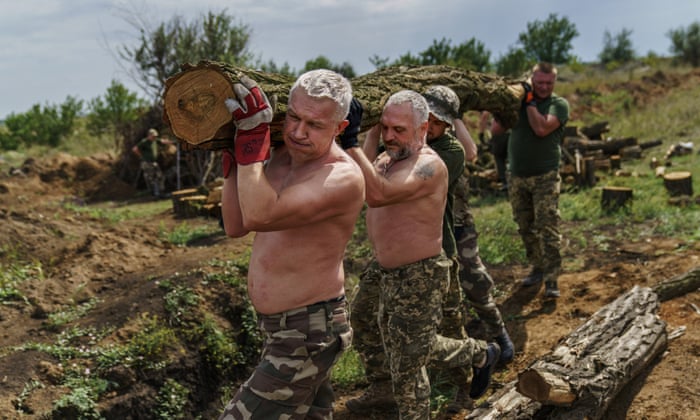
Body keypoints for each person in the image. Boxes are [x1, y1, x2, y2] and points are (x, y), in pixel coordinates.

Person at [218, 69, 366, 419]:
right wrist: (234, 160)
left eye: (314, 125)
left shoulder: (341, 177)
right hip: (281, 327)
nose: (299, 132)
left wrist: (251, 145)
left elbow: (260, 215)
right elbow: (236, 224)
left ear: (339, 129)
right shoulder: (282, 157)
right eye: (294, 118)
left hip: (308, 330)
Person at [343, 90, 500, 419]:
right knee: (365, 320)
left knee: (409, 363)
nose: (389, 136)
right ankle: (474, 354)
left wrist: (351, 143)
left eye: (398, 130)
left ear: (423, 128)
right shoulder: (389, 157)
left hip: (420, 272)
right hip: (384, 268)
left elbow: (379, 194)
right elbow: (360, 179)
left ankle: (472, 358)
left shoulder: (431, 164)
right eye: (385, 128)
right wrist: (368, 134)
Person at [423, 86, 515, 412]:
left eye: (437, 118)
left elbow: (473, 152)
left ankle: (498, 333)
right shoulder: (415, 140)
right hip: (428, 232)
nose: (430, 123)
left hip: (459, 226)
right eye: (427, 116)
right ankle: (456, 356)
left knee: (475, 282)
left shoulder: (453, 144)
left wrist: (455, 112)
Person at [493, 62, 570, 298]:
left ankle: (552, 278)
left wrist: (530, 102)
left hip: (545, 175)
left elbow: (541, 129)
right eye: (539, 83)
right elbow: (496, 130)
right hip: (517, 175)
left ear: (554, 82)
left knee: (547, 225)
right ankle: (538, 266)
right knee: (525, 226)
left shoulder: (558, 104)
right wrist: (504, 106)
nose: (544, 87)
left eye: (549, 83)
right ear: (532, 81)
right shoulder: (521, 102)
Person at [131, 128, 173, 198]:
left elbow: (162, 141)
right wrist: (142, 156)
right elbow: (135, 149)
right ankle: (155, 194)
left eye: (155, 136)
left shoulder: (155, 140)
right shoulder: (144, 142)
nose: (155, 137)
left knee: (160, 176)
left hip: (153, 162)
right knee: (151, 179)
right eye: (153, 136)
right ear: (149, 135)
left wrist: (170, 142)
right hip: (147, 163)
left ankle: (160, 192)